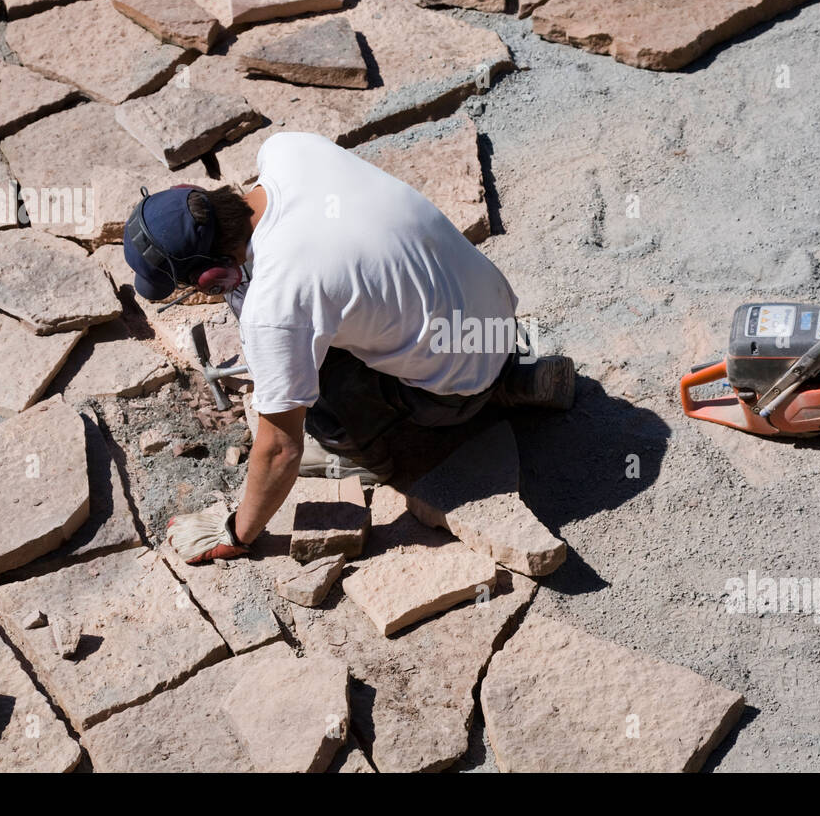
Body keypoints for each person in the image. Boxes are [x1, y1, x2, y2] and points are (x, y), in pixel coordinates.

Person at [124, 132, 574, 563]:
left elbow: (279, 447)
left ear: (211, 274)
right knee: (361, 305)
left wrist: (236, 532)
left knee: (303, 381)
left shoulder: (276, 301)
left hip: (449, 397)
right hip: (498, 324)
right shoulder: (288, 150)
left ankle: (365, 453)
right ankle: (512, 376)